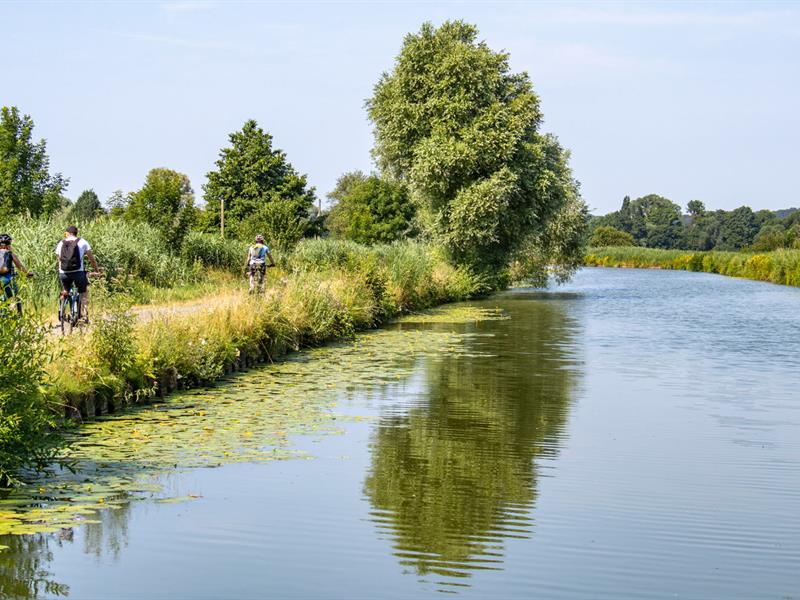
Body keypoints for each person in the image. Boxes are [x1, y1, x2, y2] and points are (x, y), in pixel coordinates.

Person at [55, 225, 99, 322]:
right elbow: (91, 258)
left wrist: (61, 271)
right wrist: (96, 270)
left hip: (63, 273)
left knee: (66, 289)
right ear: (76, 233)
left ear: (67, 233)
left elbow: (59, 260)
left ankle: (61, 308)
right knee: (83, 292)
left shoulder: (61, 243)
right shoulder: (82, 242)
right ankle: (85, 316)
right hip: (78, 272)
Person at [0, 233, 34, 315]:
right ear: (8, 245)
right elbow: (20, 266)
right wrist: (27, 274)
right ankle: (19, 315)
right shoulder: (10, 253)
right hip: (7, 280)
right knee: (17, 296)